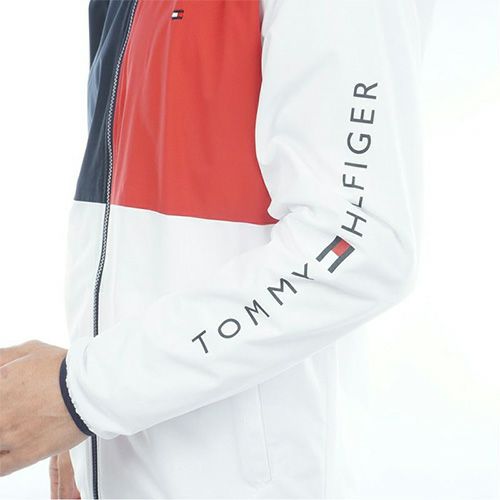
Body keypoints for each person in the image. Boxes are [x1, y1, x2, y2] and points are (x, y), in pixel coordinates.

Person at [0, 0, 435, 498]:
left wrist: (81, 392)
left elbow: (355, 244)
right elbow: (134, 239)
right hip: (123, 459)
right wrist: (80, 425)